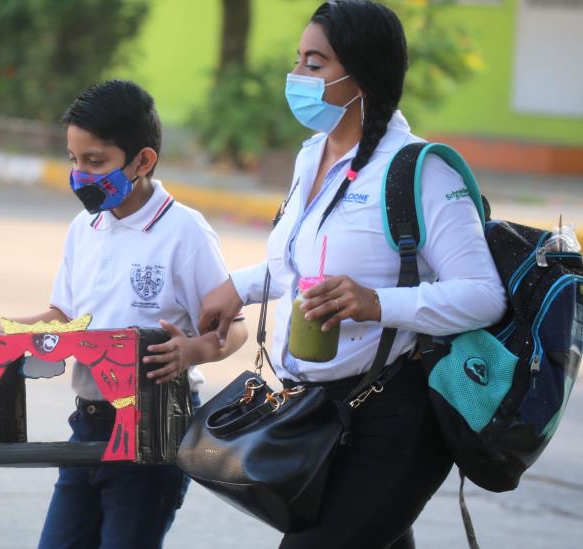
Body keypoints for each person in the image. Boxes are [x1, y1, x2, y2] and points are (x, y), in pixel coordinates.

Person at [198, 2, 506, 548]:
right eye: (299, 60)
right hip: (316, 407)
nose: (297, 77)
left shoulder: (420, 169)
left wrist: (376, 303)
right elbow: (301, 266)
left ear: (361, 75)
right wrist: (239, 287)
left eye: (315, 64)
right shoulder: (311, 155)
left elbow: (484, 296)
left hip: (395, 414)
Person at [0, 80, 247, 549]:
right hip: (88, 424)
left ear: (142, 161)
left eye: (95, 162)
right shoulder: (83, 228)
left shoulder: (184, 231)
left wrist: (191, 351)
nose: (81, 175)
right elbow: (62, 315)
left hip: (154, 426)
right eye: (74, 160)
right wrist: (10, 332)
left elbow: (235, 331)